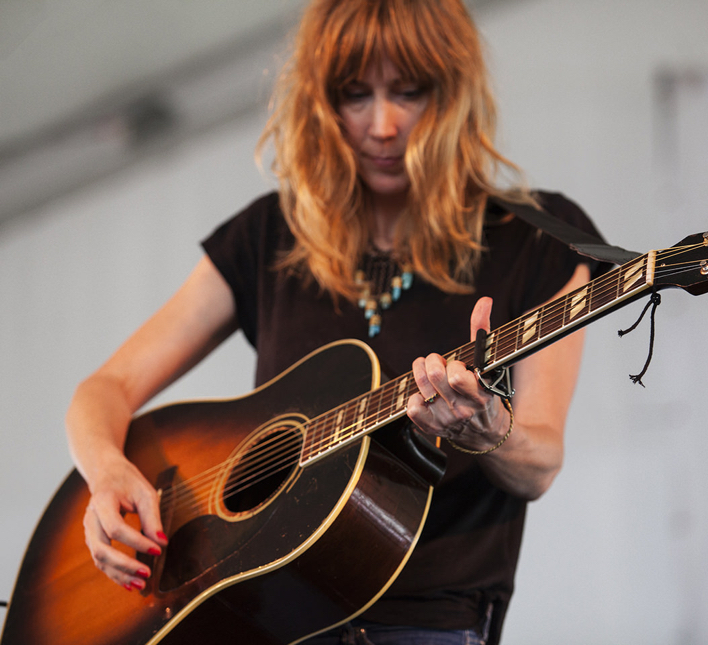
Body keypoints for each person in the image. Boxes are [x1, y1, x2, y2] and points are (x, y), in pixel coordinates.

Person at [65, 0, 608, 643]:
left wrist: (489, 429)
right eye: (355, 96)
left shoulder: (536, 242)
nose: (382, 125)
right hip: (265, 623)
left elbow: (541, 461)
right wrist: (107, 474)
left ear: (453, 93)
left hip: (429, 622)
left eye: (409, 92)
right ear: (321, 104)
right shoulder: (269, 236)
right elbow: (102, 391)